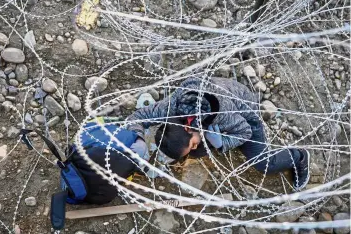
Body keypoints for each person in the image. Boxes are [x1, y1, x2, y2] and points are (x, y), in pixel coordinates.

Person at [127, 76, 310, 191]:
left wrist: (222, 143)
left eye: (192, 143)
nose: (195, 146)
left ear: (188, 128)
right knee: (198, 150)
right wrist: (139, 137)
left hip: (243, 111)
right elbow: (138, 117)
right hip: (217, 96)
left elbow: (244, 131)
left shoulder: (222, 115)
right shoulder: (171, 107)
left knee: (264, 164)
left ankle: (299, 157)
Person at [66, 117, 148, 204]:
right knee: (139, 152)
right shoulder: (130, 144)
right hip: (100, 153)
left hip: (86, 142)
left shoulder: (91, 128)